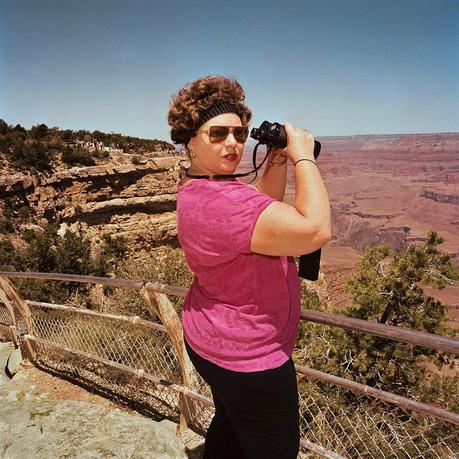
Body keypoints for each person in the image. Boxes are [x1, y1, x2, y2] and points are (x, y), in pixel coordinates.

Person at [167, 75, 331, 459]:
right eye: (218, 133)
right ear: (189, 139)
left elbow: (259, 207)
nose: (233, 144)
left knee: (231, 426)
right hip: (250, 358)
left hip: (211, 340)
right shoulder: (220, 202)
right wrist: (302, 155)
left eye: (240, 134)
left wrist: (275, 158)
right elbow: (315, 229)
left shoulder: (203, 188)